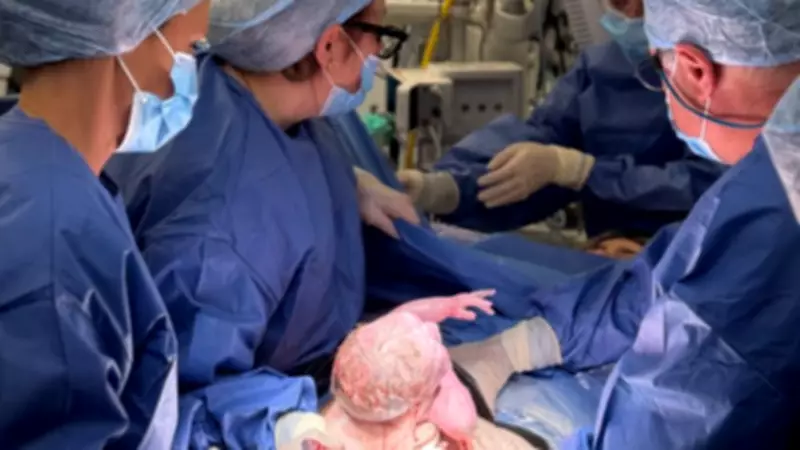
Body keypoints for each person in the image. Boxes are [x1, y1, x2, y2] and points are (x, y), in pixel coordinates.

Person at [446, 0, 800, 447]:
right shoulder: (775, 168)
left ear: (695, 70)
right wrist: (521, 346)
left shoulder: (778, 207)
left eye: (659, 74)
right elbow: (671, 273)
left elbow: (684, 401)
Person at [103, 1, 428, 448]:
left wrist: (348, 183)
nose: (377, 55)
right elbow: (190, 401)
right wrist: (296, 422)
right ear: (329, 47)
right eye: (380, 37)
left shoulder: (249, 94)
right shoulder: (223, 230)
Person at [0, 0, 209, 448]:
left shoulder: (27, 155)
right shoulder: (56, 248)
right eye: (191, 48)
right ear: (125, 33)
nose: (190, 77)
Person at [398, 0, 725, 238]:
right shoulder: (601, 70)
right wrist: (445, 188)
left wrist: (585, 171)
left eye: (643, 4)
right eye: (619, 3)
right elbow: (539, 145)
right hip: (610, 256)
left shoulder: (728, 76)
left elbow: (716, 184)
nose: (631, 15)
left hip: (702, 261)